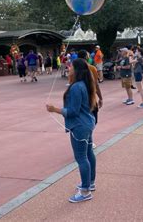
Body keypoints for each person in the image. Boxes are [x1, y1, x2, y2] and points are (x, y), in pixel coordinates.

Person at [46, 58, 97, 203]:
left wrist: (54, 109)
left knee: (81, 157)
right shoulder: (85, 84)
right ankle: (90, 183)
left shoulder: (76, 87)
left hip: (79, 126)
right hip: (87, 123)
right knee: (88, 153)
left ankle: (86, 191)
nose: (69, 68)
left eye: (71, 67)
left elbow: (73, 111)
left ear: (77, 70)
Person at [77, 50, 103, 126]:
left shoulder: (74, 69)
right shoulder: (92, 68)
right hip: (91, 98)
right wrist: (100, 98)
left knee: (82, 120)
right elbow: (96, 85)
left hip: (79, 99)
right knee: (93, 120)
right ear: (86, 57)